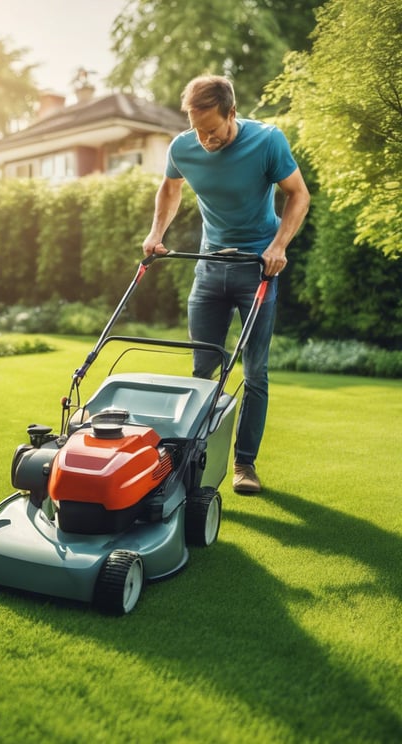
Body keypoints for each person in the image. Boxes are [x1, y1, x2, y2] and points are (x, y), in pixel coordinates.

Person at [142, 75, 310, 494]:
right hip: (208, 268)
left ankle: (244, 464)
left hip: (258, 269)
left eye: (213, 130)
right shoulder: (182, 146)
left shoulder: (267, 141)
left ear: (232, 113)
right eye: (198, 130)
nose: (205, 140)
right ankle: (191, 456)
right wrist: (155, 233)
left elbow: (298, 194)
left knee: (255, 371)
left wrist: (279, 246)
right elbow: (169, 188)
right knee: (202, 371)